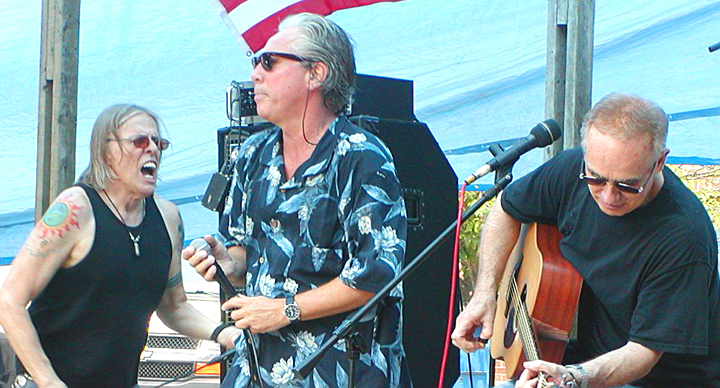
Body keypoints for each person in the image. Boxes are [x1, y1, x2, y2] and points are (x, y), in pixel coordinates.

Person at [183, 12, 412, 388]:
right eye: (255, 62)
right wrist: (228, 261)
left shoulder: (361, 156)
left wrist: (286, 310)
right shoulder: (252, 154)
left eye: (269, 62)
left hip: (341, 369)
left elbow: (375, 274)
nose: (256, 73)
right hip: (257, 367)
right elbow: (250, 252)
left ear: (316, 74)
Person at [451, 93, 720, 387]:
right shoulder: (569, 170)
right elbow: (506, 208)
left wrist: (575, 377)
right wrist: (485, 292)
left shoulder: (683, 238)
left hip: (656, 380)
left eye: (627, 184)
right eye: (596, 178)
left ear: (659, 162)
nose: (608, 196)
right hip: (580, 360)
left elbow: (643, 352)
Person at [0, 104, 240, 388]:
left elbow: (174, 307)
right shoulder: (76, 209)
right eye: (139, 141)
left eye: (158, 142)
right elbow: (9, 301)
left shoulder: (168, 217)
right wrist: (49, 381)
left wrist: (223, 333)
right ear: (107, 153)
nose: (152, 149)